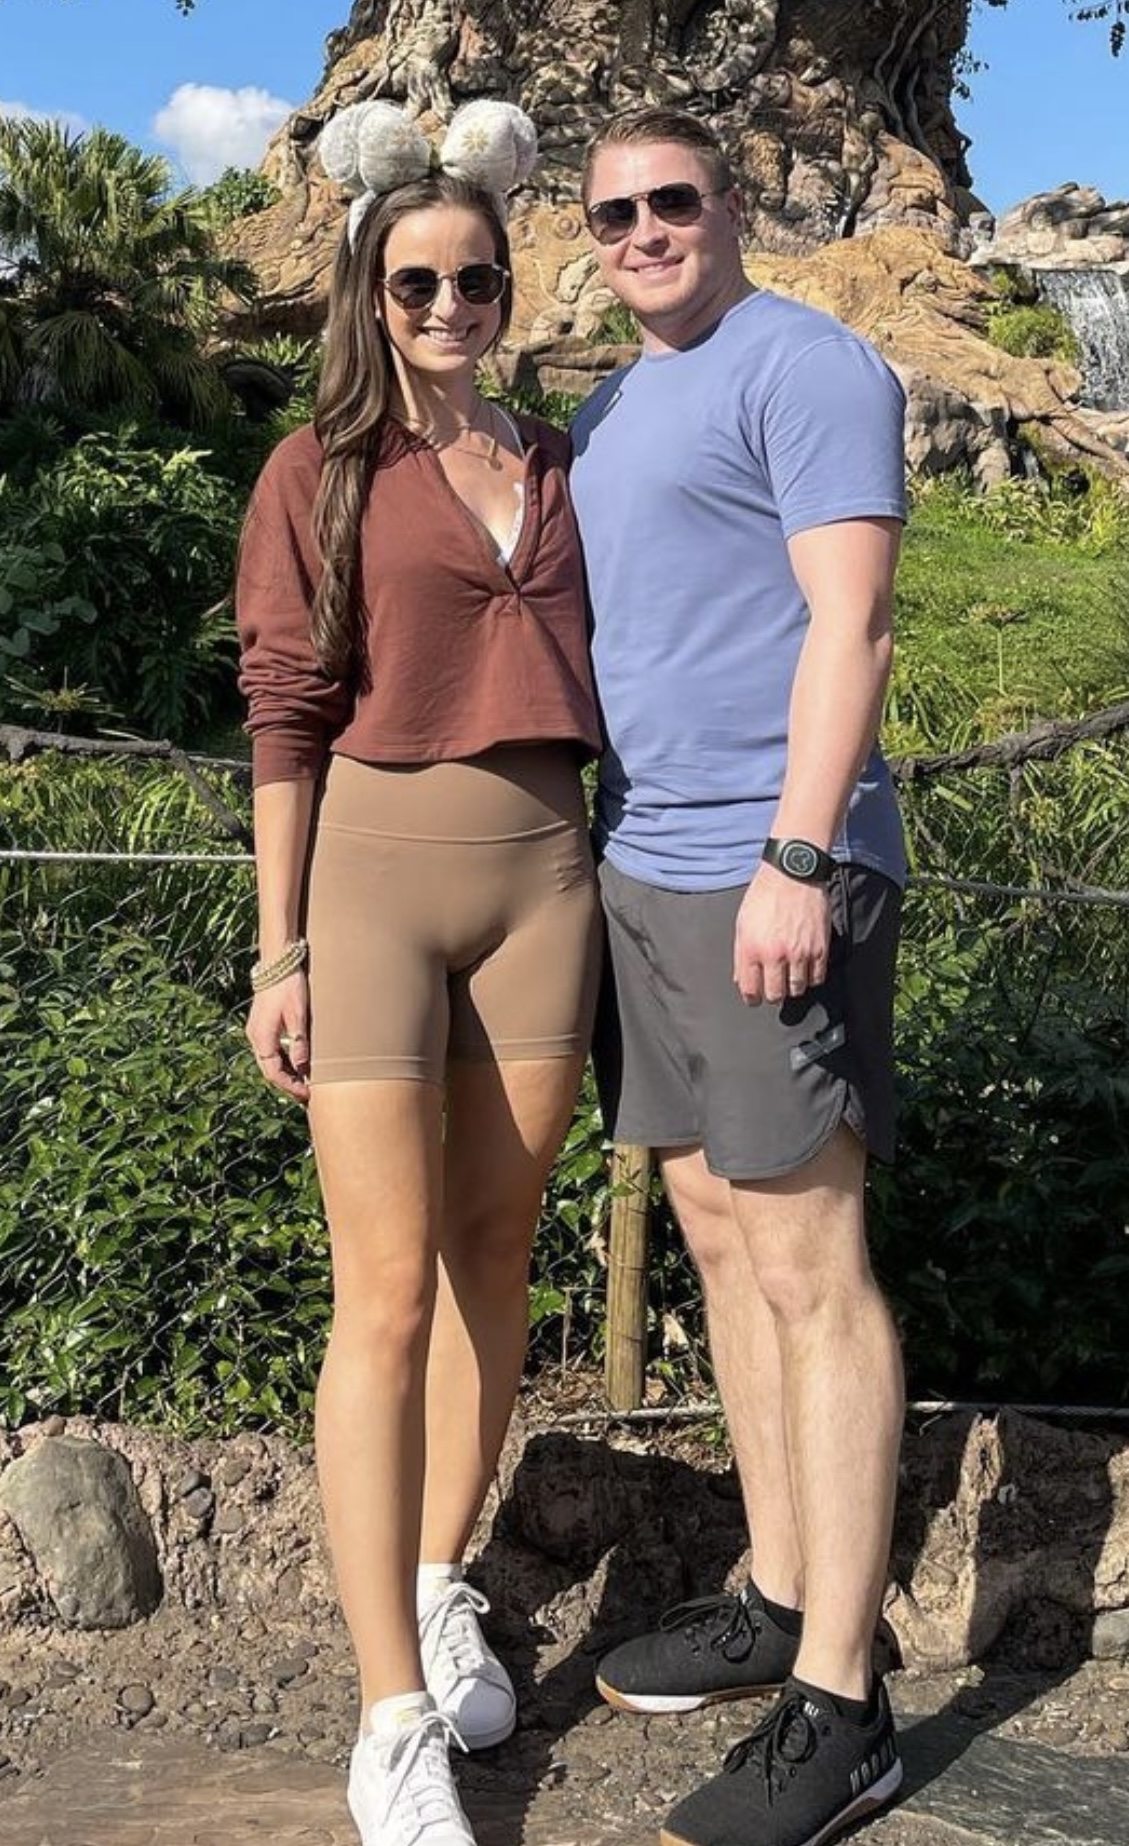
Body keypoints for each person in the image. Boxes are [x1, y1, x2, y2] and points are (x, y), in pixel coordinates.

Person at [235, 100, 601, 1846]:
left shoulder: (563, 459)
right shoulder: (318, 469)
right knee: (378, 1295)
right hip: (374, 885)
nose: (449, 306)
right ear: (368, 295)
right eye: (415, 283)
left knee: (492, 1256)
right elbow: (282, 715)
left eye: (475, 279)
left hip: (548, 884)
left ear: (509, 286)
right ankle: (389, 1714)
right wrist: (280, 948)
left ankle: (440, 1575)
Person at [569, 106, 908, 1846]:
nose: (643, 229)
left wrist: (795, 851)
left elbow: (853, 620)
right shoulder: (607, 405)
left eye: (672, 199)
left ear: (734, 201)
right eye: (612, 211)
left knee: (808, 1258)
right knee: (712, 1223)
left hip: (765, 870)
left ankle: (843, 1702)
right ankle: (775, 1588)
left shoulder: (807, 364)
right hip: (642, 861)